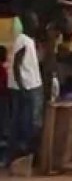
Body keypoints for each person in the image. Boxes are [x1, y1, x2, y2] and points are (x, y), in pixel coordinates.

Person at [8, 14, 43, 167]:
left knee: (25, 122)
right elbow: (16, 65)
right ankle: (22, 155)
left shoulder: (28, 40)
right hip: (27, 87)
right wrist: (22, 86)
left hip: (30, 85)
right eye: (34, 21)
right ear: (28, 23)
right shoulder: (23, 40)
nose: (36, 24)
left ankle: (20, 156)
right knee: (27, 123)